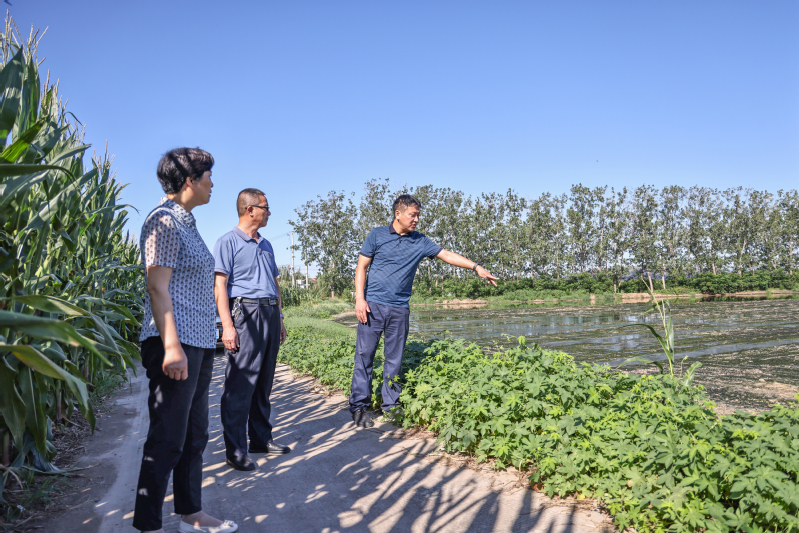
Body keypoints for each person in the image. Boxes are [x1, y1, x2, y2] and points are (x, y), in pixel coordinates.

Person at [134, 148, 238, 533]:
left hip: (198, 342)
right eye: (208, 175)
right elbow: (157, 286)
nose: (213, 183)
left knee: (194, 435)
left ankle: (191, 514)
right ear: (190, 180)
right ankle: (148, 525)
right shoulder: (163, 221)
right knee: (168, 439)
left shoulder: (187, 223)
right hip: (173, 342)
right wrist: (172, 346)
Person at [350, 194, 499, 427]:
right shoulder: (376, 235)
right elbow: (361, 267)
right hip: (372, 306)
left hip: (399, 309)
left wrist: (476, 267)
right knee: (364, 356)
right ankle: (360, 407)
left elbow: (446, 255)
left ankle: (391, 406)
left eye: (418, 215)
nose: (417, 220)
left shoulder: (420, 241)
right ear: (398, 214)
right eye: (413, 215)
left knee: (394, 360)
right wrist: (360, 299)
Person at [213, 188, 290, 472]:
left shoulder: (266, 244)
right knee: (241, 383)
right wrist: (227, 326)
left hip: (269, 312)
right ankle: (235, 451)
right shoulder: (228, 242)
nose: (269, 213)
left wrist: (279, 317)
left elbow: (274, 283)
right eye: (265, 208)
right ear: (250, 210)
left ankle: (260, 439)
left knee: (263, 382)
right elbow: (220, 286)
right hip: (246, 312)